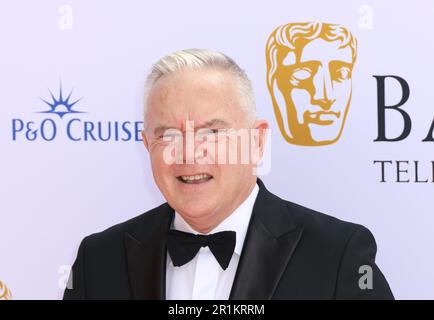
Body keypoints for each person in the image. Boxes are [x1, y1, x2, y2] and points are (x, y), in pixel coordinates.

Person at [63, 48, 393, 299]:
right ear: (147, 144)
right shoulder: (98, 260)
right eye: (169, 135)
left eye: (212, 132)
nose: (190, 153)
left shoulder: (338, 256)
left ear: (257, 141)